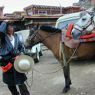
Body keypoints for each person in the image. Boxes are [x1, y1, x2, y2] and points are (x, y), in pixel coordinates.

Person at [0, 21, 30, 95]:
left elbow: (21, 47)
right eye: (10, 27)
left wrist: (19, 55)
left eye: (12, 27)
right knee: (10, 84)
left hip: (17, 63)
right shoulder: (3, 37)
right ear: (6, 29)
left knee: (21, 82)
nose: (12, 28)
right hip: (7, 64)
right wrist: (5, 22)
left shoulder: (16, 36)